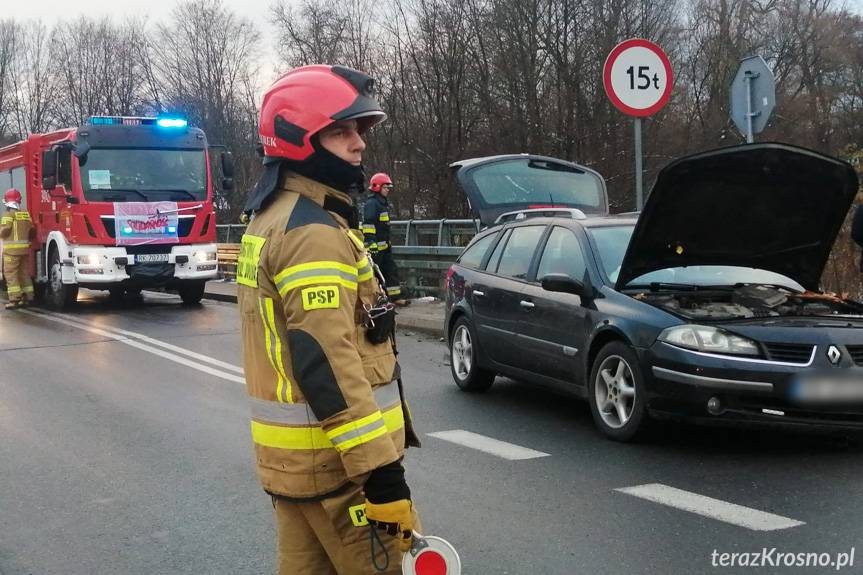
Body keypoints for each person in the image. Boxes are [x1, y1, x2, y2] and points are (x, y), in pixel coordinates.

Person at [237, 64, 421, 575]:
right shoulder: (312, 232)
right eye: (341, 131)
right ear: (300, 139)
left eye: (358, 130)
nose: (358, 144)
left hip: (297, 468)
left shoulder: (274, 216)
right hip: (340, 470)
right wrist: (381, 473)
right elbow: (327, 361)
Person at [363, 173, 407, 305]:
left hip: (385, 247)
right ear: (377, 187)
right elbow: (369, 225)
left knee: (391, 271)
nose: (388, 189)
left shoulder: (382, 203)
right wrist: (372, 243)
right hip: (376, 248)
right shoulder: (372, 204)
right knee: (376, 274)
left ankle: (394, 298)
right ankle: (377, 299)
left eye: (388, 187)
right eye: (385, 187)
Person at [1, 189, 35, 309]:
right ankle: (28, 297)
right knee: (24, 274)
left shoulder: (8, 214)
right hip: (24, 251)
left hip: (11, 252)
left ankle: (14, 299)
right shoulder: (25, 213)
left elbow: (5, 230)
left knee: (11, 275)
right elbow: (32, 230)